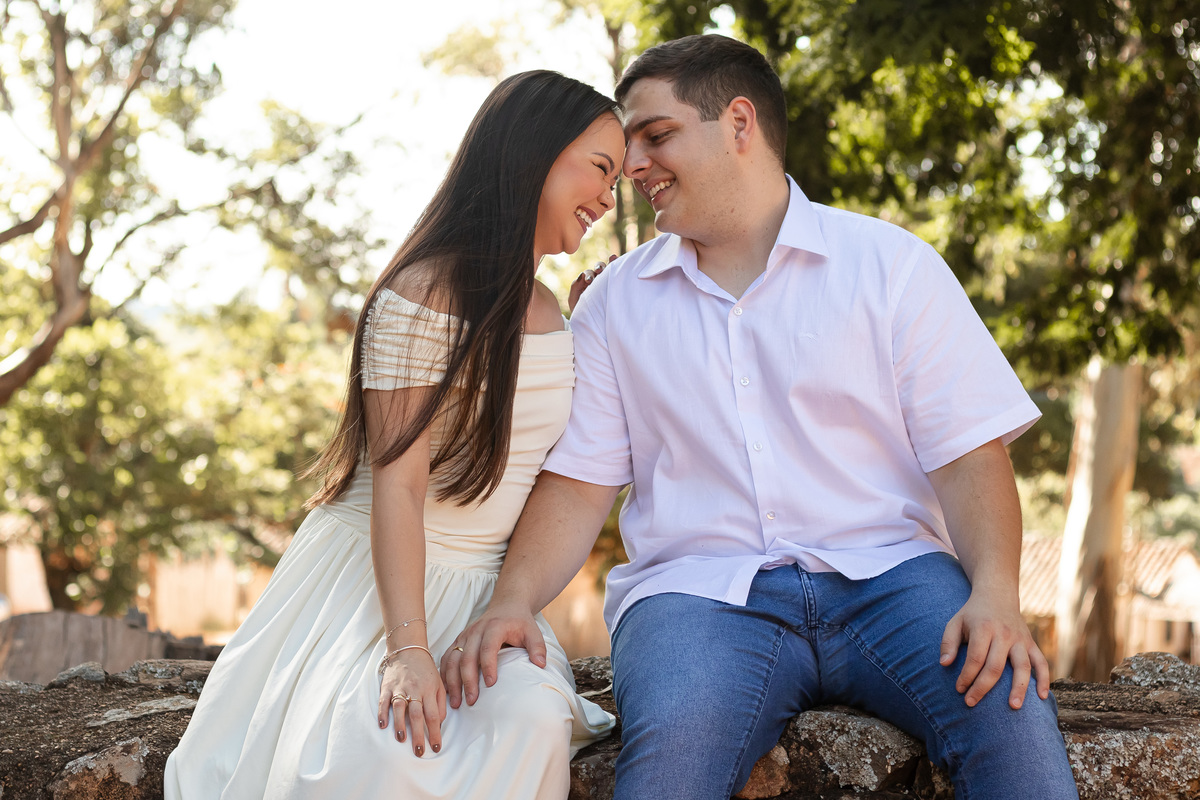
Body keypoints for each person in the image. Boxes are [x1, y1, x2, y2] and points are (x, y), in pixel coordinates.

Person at [444, 35, 1079, 800]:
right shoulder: (616, 304)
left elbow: (969, 457)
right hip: (697, 598)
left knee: (1013, 715)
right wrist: (512, 600)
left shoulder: (891, 266)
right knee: (667, 769)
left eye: (656, 135)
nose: (633, 166)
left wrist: (996, 598)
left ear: (738, 124)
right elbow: (579, 487)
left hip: (893, 580)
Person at [164, 70, 624, 800]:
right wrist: (405, 647)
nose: (609, 197)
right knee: (379, 750)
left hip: (488, 595)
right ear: (531, 154)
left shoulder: (559, 317)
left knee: (533, 717)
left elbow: (559, 465)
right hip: (380, 585)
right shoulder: (421, 293)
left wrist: (597, 317)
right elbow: (400, 487)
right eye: (600, 169)